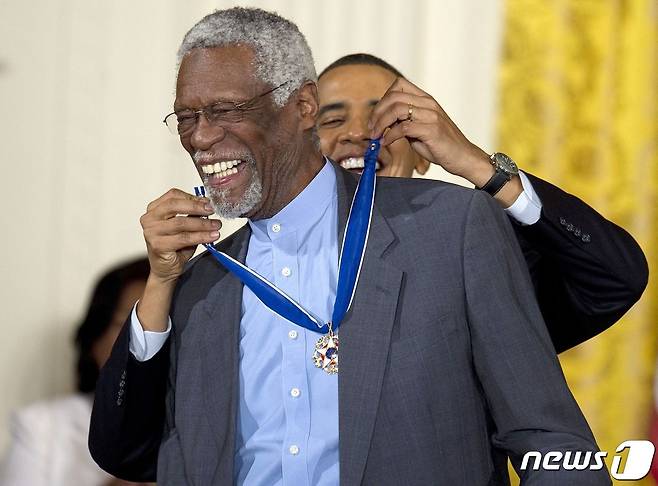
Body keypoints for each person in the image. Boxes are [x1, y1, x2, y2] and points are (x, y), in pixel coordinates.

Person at [89, 8, 612, 485]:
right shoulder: (202, 283)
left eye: (226, 110)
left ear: (302, 106)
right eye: (186, 117)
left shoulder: (451, 231)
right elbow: (128, 452)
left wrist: (481, 166)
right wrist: (160, 287)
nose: (200, 138)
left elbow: (552, 442)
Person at [316, 53, 648, 353]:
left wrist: (479, 165)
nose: (358, 133)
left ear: (421, 156)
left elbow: (616, 278)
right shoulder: (269, 258)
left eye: (386, 118)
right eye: (332, 121)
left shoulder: (480, 259)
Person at [0, 257, 151, 486]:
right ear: (94, 340)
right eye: (135, 324)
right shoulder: (43, 428)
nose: (150, 343)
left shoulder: (212, 426)